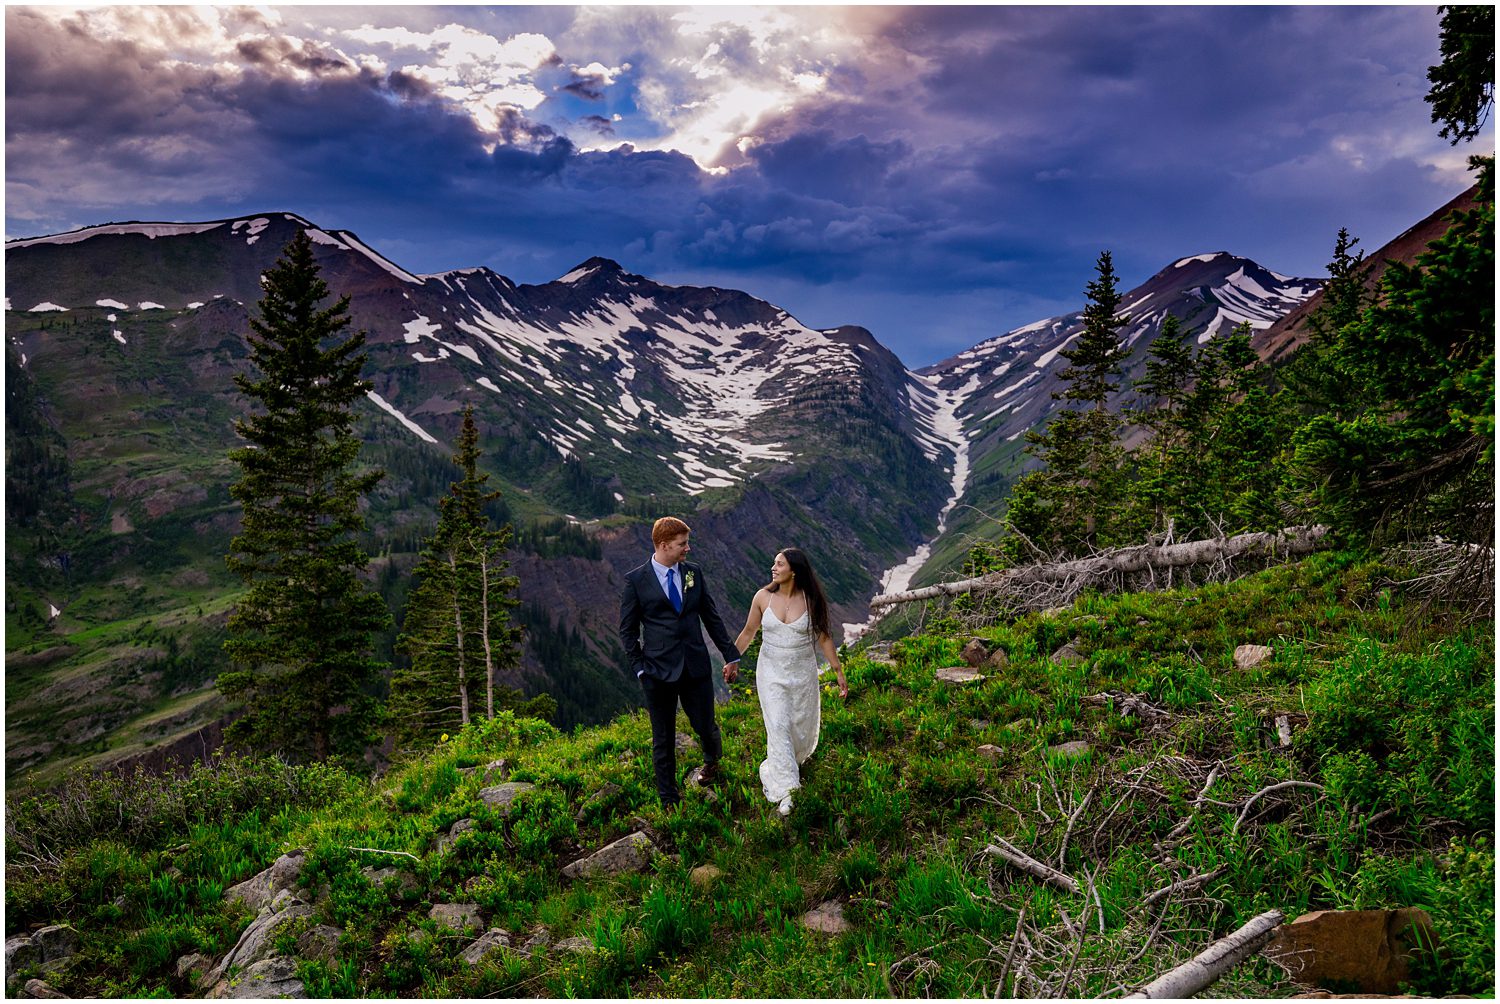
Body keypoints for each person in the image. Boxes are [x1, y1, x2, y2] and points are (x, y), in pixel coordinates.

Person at [619, 516, 742, 809]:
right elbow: (627, 630)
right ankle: (669, 799)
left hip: (695, 667)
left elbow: (710, 617)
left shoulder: (693, 574)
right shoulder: (635, 581)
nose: (688, 548)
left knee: (705, 726)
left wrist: (730, 654)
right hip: (657, 672)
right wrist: (640, 669)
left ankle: (712, 764)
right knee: (663, 738)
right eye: (682, 544)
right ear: (663, 545)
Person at [733, 547, 848, 817]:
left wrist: (838, 671)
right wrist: (732, 659)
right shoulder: (762, 597)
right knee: (779, 724)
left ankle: (786, 763)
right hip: (770, 672)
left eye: (779, 564)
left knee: (798, 727)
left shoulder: (811, 600)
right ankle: (788, 791)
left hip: (801, 674)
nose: (773, 568)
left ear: (794, 570)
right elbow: (749, 632)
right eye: (774, 563)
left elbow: (824, 638)